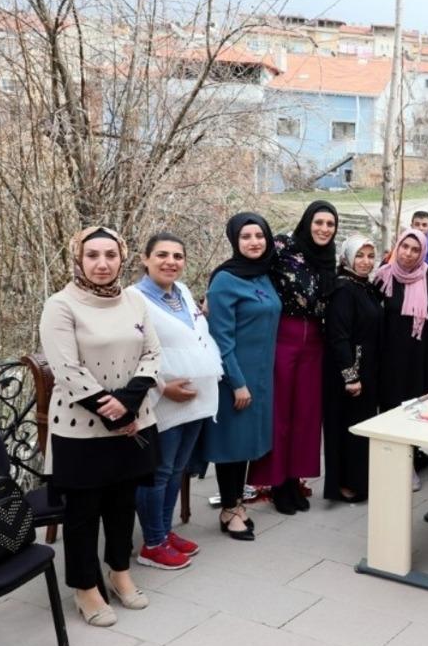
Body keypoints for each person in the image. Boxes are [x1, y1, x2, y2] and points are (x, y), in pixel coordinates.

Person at [40, 227, 161, 626]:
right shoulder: (61, 305)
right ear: (79, 258)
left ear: (122, 257)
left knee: (122, 505)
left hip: (132, 420)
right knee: (83, 512)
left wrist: (129, 403)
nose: (103, 263)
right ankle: (85, 587)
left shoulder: (135, 300)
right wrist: (113, 409)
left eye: (110, 254)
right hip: (80, 427)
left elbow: (152, 352)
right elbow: (66, 368)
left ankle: (119, 572)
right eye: (93, 255)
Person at [130, 233, 222, 570]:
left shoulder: (181, 292)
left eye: (178, 256)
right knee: (158, 472)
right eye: (162, 255)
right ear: (145, 258)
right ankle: (152, 544)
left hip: (196, 399)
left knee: (176, 470)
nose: (171, 262)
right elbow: (129, 353)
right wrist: (162, 386)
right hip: (163, 400)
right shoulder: (133, 299)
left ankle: (164, 532)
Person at [250, 200, 337, 515]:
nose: (324, 229)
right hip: (283, 335)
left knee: (306, 415)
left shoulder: (328, 258)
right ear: (307, 221)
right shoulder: (284, 245)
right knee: (280, 413)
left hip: (315, 340)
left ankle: (294, 479)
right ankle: (277, 483)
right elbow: (251, 266)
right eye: (319, 222)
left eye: (330, 224)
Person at [201, 213, 281, 541]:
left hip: (262, 376)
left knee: (246, 444)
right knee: (231, 445)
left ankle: (237, 503)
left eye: (259, 235)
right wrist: (237, 382)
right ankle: (230, 510)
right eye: (246, 236)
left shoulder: (263, 275)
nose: (254, 242)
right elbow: (220, 338)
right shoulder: (224, 280)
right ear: (235, 240)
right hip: (235, 377)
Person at [375, 228, 428, 491]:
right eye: (405, 247)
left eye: (416, 249)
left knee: (414, 409)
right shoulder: (383, 276)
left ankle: (411, 464)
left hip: (420, 355)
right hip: (390, 355)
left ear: (422, 252)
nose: (409, 253)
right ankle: (391, 463)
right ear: (397, 246)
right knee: (391, 407)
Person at [322, 236, 383, 503]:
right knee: (346, 429)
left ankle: (359, 479)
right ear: (347, 257)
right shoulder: (344, 290)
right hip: (349, 374)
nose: (366, 262)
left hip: (367, 370)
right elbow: (338, 336)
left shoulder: (365, 287)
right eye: (360, 255)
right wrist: (350, 376)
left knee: (360, 428)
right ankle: (343, 483)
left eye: (370, 256)